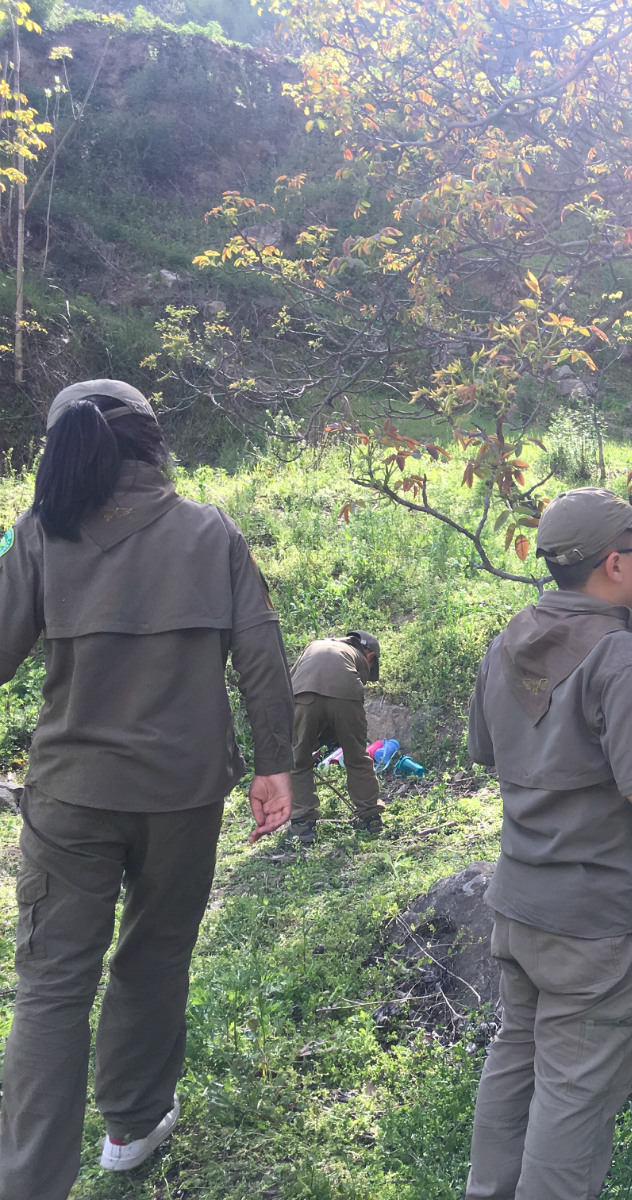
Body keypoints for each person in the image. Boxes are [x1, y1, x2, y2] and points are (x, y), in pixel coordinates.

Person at [0, 380, 294, 1200]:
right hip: (183, 795)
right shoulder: (209, 532)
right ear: (155, 443)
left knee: (54, 984)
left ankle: (26, 1183)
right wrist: (276, 765)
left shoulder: (38, 535)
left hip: (69, 798)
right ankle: (131, 1125)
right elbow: (262, 654)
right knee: (156, 956)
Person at [463, 486, 632, 1200]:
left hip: (518, 900)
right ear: (615, 564)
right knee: (575, 1092)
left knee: (514, 1053)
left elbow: (487, 750)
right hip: (593, 924)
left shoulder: (510, 639)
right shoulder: (624, 660)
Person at [285, 630, 384, 842]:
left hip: (303, 692)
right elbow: (345, 695)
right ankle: (370, 818)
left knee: (298, 760)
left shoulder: (315, 646)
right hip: (346, 693)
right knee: (357, 755)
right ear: (370, 654)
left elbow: (289, 682)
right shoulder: (356, 656)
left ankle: (303, 825)